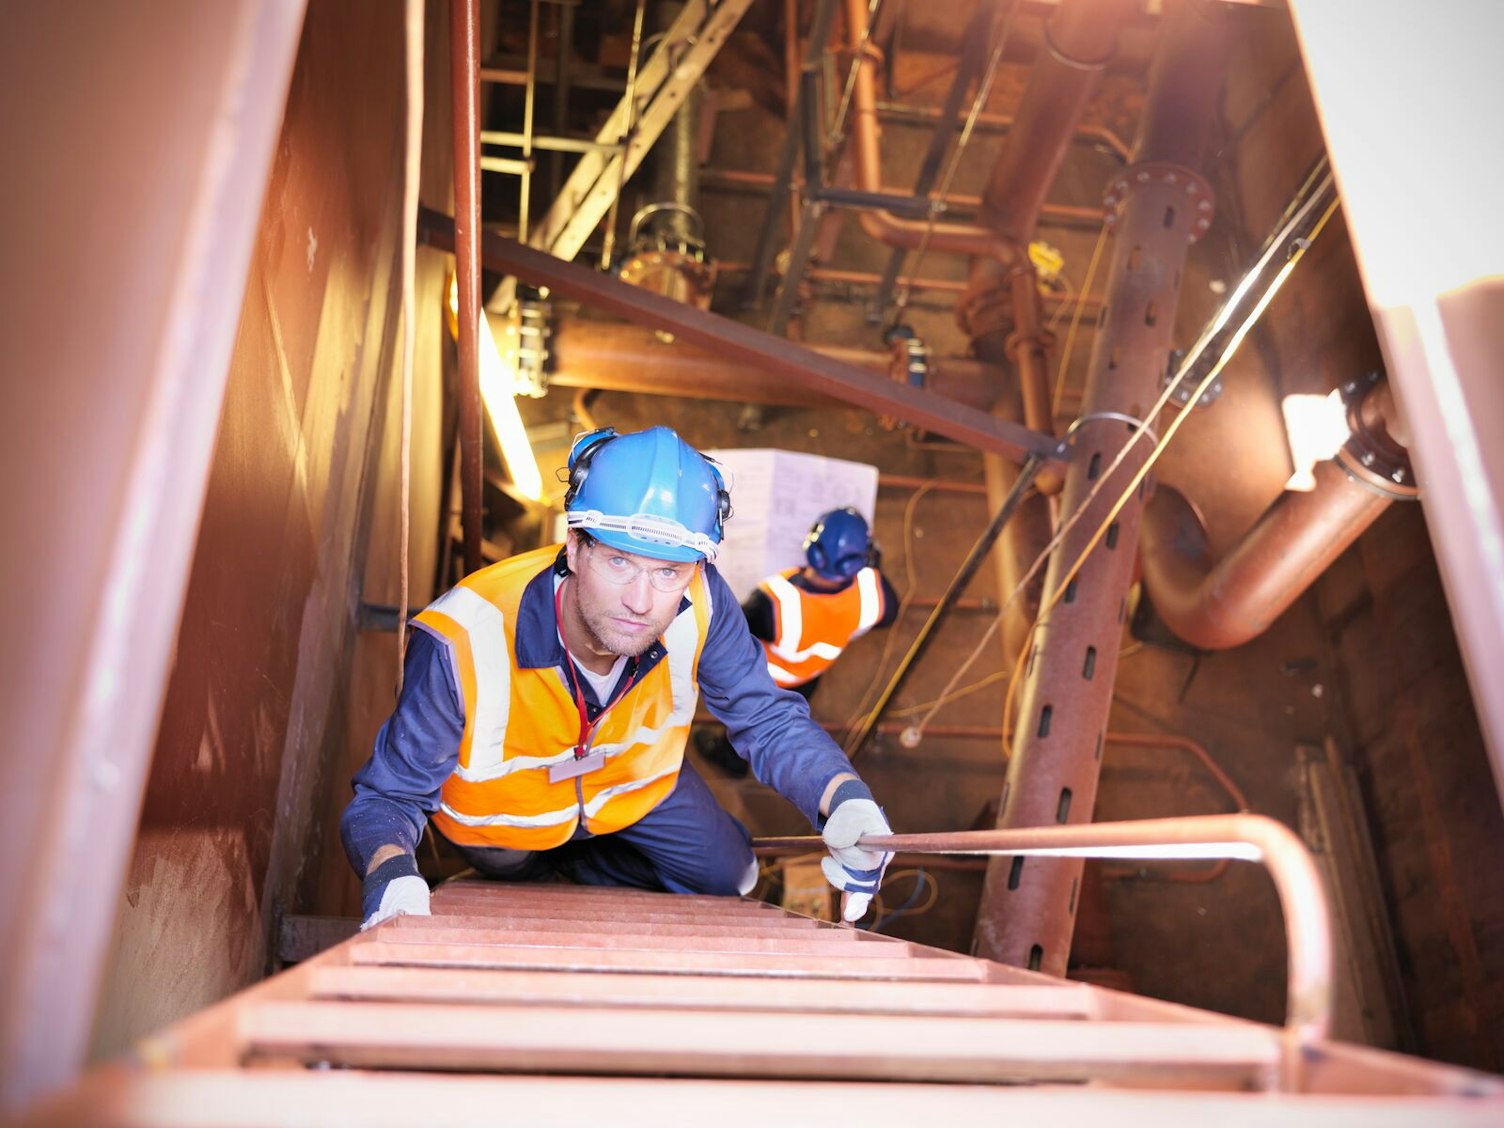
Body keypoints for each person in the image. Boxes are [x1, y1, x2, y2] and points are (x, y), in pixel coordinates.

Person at [341, 426, 893, 930]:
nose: (641, 601)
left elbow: (766, 718)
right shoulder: (462, 638)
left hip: (634, 785)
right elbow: (387, 798)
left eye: (667, 572)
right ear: (576, 546)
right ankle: (569, 870)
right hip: (502, 822)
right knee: (523, 894)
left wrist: (844, 800)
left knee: (736, 877)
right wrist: (391, 879)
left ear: (694, 569)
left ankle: (594, 866)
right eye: (619, 562)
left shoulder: (701, 602)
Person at [696, 507, 899, 777]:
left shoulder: (775, 600)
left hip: (764, 677)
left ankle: (730, 758)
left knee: (748, 719)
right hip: (809, 675)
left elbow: (733, 632)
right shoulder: (873, 591)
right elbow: (888, 615)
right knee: (769, 725)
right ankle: (743, 758)